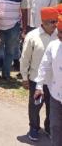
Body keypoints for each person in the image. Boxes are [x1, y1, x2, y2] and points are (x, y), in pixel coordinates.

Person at [20, 7, 58, 141]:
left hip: (54, 81)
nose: (55, 25)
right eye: (52, 22)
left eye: (56, 22)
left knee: (52, 107)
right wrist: (24, 77)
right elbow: (25, 59)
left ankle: (48, 128)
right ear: (44, 22)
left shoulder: (58, 35)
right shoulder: (33, 36)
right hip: (37, 81)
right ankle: (34, 128)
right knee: (35, 106)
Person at [34, 15, 62, 146]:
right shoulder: (53, 46)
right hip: (56, 95)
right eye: (60, 32)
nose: (60, 35)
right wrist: (39, 86)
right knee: (55, 127)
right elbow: (44, 66)